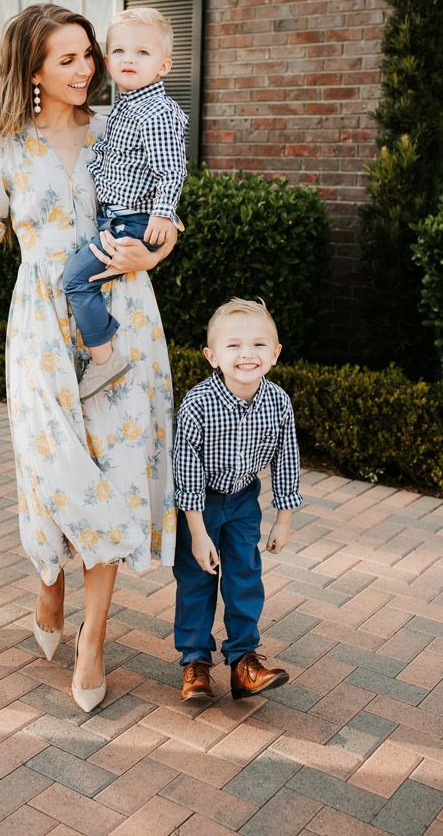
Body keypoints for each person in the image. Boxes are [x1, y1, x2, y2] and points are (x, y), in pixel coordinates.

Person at [0, 4, 177, 712]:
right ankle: (50, 572)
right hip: (41, 324)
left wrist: (154, 251)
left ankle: (96, 635)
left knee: (117, 469)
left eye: (88, 55)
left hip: (124, 315)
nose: (87, 69)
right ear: (32, 67)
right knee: (54, 468)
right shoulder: (2, 149)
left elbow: (168, 220)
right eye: (68, 58)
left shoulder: (121, 126)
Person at [172, 297, 302, 701]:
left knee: (245, 577)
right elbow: (186, 469)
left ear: (275, 354)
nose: (247, 354)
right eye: (234, 346)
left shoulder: (278, 402)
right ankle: (195, 662)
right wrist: (197, 532)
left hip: (245, 500)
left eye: (259, 345)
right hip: (201, 504)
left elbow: (287, 458)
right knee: (197, 579)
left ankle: (244, 662)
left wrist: (283, 519)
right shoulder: (198, 405)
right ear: (213, 357)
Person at [62, 7, 188, 401]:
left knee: (75, 280)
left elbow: (171, 171)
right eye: (119, 51)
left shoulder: (156, 112)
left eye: (142, 53)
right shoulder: (123, 109)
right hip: (118, 219)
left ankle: (104, 360)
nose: (128, 59)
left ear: (164, 66)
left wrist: (164, 215)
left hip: (130, 225)